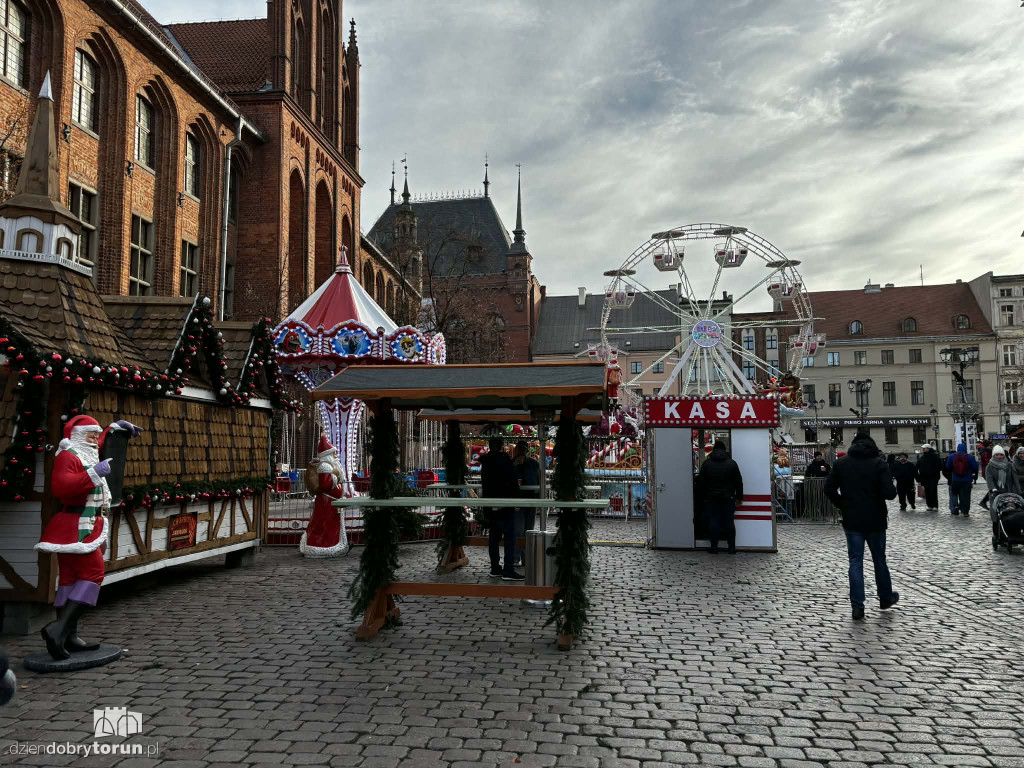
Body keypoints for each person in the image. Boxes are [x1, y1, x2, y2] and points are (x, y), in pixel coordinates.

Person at [35, 415, 142, 660]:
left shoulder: (86, 451)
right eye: (90, 435)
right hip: (77, 524)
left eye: (96, 435)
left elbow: (99, 444)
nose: (95, 440)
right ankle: (58, 629)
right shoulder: (68, 456)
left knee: (70, 579)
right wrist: (93, 474)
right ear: (78, 436)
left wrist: (114, 429)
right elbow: (61, 487)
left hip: (81, 524)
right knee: (93, 574)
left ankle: (69, 636)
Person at [823, 433, 899, 620]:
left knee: (855, 561)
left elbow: (828, 488)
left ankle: (857, 606)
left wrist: (843, 504)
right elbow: (890, 494)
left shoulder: (842, 464)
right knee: (879, 559)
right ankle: (885, 598)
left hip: (852, 518)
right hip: (875, 518)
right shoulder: (879, 463)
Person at [479, 437, 523, 580]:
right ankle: (508, 570)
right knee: (509, 538)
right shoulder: (504, 459)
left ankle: (495, 568)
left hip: (490, 504)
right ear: (502, 447)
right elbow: (510, 479)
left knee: (493, 538)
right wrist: (516, 499)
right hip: (505, 503)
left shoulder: (485, 462)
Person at [299, 433, 350, 557]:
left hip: (331, 503)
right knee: (325, 525)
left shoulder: (330, 466)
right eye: (333, 454)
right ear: (327, 455)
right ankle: (325, 546)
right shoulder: (325, 467)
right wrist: (336, 476)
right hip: (327, 503)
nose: (335, 456)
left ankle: (332, 544)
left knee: (329, 525)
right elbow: (325, 485)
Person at [697, 439, 743, 554]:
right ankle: (731, 548)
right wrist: (739, 497)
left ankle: (714, 547)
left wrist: (701, 498)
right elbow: (739, 482)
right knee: (729, 522)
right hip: (728, 497)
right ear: (724, 449)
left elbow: (701, 483)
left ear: (713, 450)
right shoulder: (732, 463)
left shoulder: (707, 464)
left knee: (714, 521)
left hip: (711, 498)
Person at [512, 440, 541, 568]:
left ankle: (526, 557)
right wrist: (513, 465)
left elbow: (539, 481)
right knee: (518, 530)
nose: (522, 451)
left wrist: (539, 498)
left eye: (524, 449)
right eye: (520, 449)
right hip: (517, 500)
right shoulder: (512, 463)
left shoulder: (534, 463)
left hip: (531, 500)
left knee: (529, 530)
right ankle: (515, 558)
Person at [944, 443, 979, 517]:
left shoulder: (952, 456)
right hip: (967, 480)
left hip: (955, 479)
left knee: (954, 494)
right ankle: (965, 511)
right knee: (966, 495)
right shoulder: (969, 457)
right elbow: (975, 467)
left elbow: (947, 466)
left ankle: (956, 506)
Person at [915, 443, 942, 511]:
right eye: (923, 448)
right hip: (924, 478)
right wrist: (919, 477)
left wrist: (934, 472)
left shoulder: (935, 457)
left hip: (933, 477)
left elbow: (939, 466)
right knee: (927, 492)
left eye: (925, 448)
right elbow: (917, 467)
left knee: (933, 491)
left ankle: (935, 505)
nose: (923, 449)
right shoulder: (922, 457)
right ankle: (929, 505)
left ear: (929, 449)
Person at [978, 441, 994, 510]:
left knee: (993, 488)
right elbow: (989, 463)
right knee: (992, 488)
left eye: (991, 445)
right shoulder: (985, 453)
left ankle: (984, 502)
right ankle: (984, 502)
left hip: (988, 472)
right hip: (987, 472)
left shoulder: (988, 452)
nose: (991, 446)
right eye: (990, 445)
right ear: (986, 446)